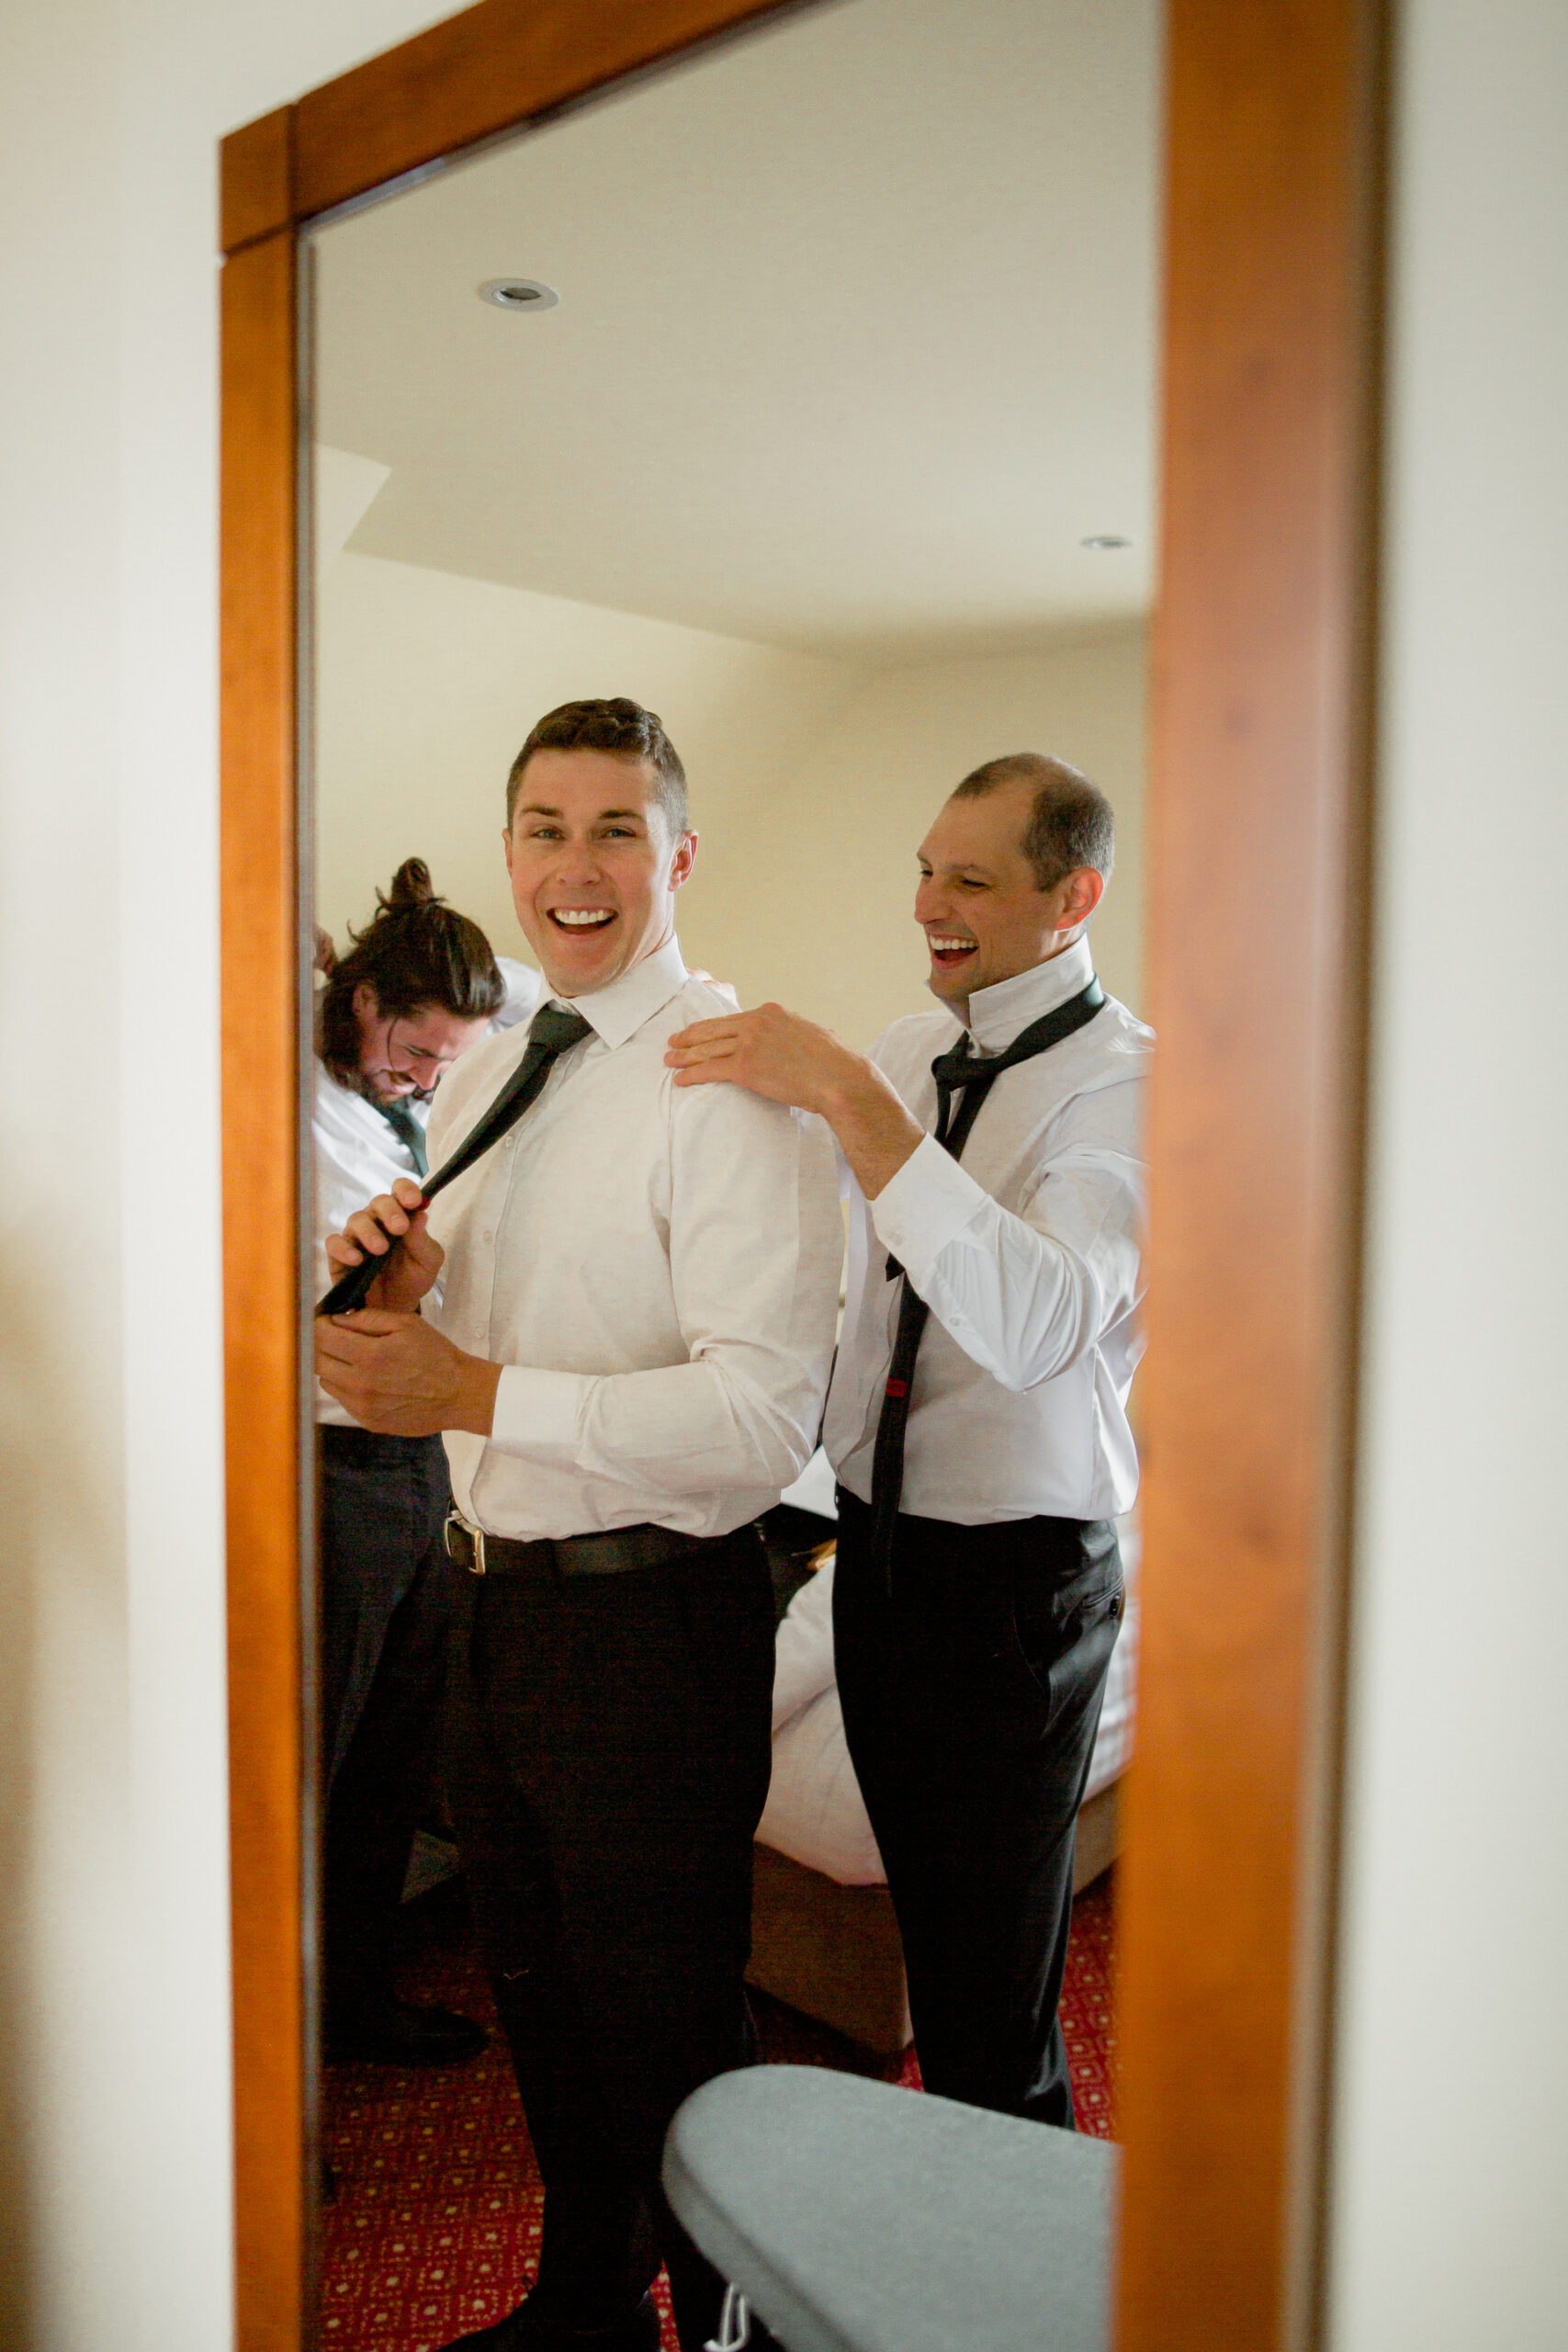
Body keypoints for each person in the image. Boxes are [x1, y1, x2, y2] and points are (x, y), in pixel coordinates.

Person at [315, 699, 841, 2352]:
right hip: (494, 1613)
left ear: (677, 855)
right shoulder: (504, 1064)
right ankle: (586, 2309)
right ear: (509, 853)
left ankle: (735, 2327)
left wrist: (474, 1390)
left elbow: (765, 1421)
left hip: (648, 1625)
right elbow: (519, 1300)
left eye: (618, 830)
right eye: (546, 828)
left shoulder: (727, 1082)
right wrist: (407, 1273)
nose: (578, 865)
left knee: (669, 2028)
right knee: (539, 1995)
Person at [666, 751, 1151, 2131]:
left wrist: (852, 1105)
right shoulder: (903, 1053)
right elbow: (807, 1250)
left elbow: (1037, 1318)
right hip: (871, 1549)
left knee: (989, 2007)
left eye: (972, 879)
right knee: (936, 1935)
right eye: (925, 868)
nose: (929, 903)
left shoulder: (1130, 1087)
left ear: (1077, 897)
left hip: (1015, 1582)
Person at [313, 858, 504, 2065]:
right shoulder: (279, 1091)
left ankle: (360, 2000)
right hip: (320, 1470)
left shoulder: (423, 1091)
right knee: (316, 1765)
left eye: (447, 1059)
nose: (427, 1076)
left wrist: (434, 952)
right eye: (414, 1049)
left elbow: (530, 992)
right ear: (360, 999)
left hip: (421, 1463)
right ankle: (277, 2069)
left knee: (394, 1757)